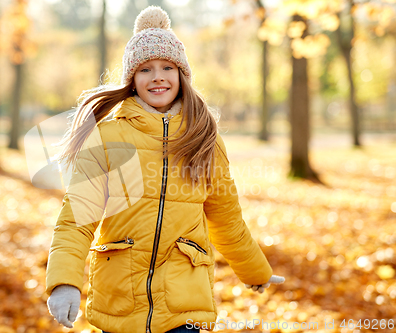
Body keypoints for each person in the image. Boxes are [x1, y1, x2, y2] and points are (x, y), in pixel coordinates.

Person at [45, 6, 284, 333]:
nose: (157, 76)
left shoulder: (204, 139)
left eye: (167, 67)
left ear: (182, 75)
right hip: (120, 301)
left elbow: (225, 216)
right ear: (131, 80)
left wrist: (254, 269)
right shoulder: (108, 137)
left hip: (184, 303)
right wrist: (64, 283)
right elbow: (77, 219)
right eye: (145, 69)